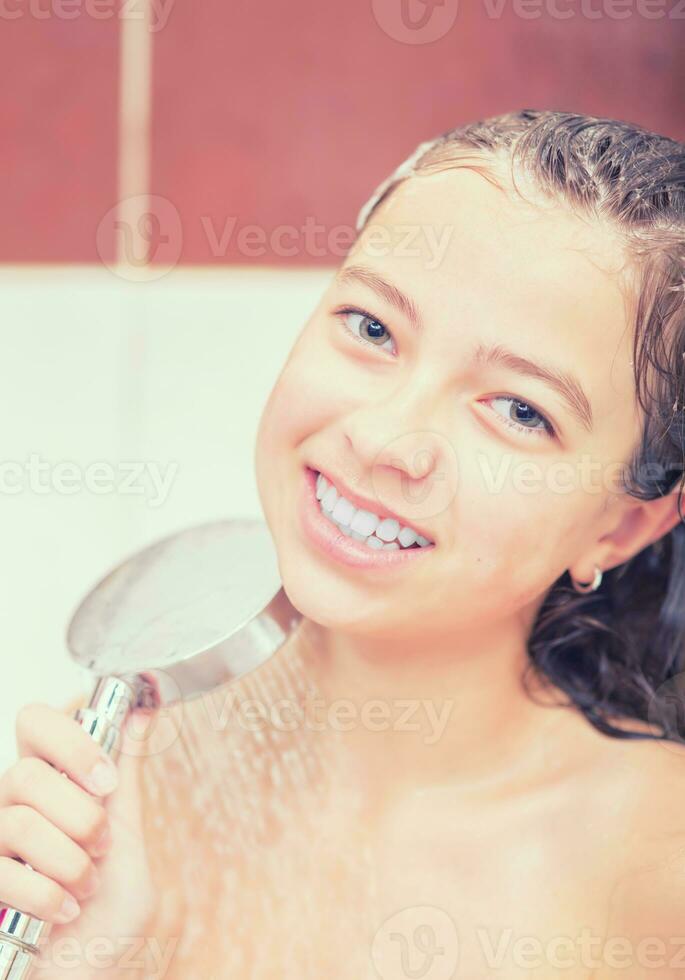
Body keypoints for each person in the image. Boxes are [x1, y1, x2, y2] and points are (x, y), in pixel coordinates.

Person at [2, 108, 685, 979]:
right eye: (371, 328)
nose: (383, 438)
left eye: (519, 410)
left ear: (619, 525)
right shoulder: (118, 773)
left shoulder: (652, 877)